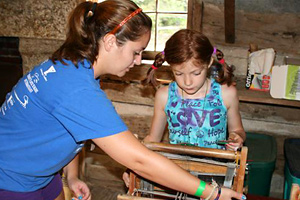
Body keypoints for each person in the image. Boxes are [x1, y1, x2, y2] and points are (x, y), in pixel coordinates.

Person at [0, 1, 245, 200]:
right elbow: (139, 159)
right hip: (9, 178)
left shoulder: (72, 64)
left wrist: (71, 176)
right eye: (136, 52)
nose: (138, 61)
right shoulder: (77, 89)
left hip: (43, 174)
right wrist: (211, 192)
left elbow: (71, 126)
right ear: (109, 42)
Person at [123, 29, 246, 186]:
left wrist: (237, 138)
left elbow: (238, 130)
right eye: (179, 74)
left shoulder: (226, 94)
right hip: (178, 173)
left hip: (216, 173)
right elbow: (153, 140)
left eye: (196, 73)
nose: (187, 82)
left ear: (208, 63)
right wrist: (132, 166)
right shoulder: (164, 95)